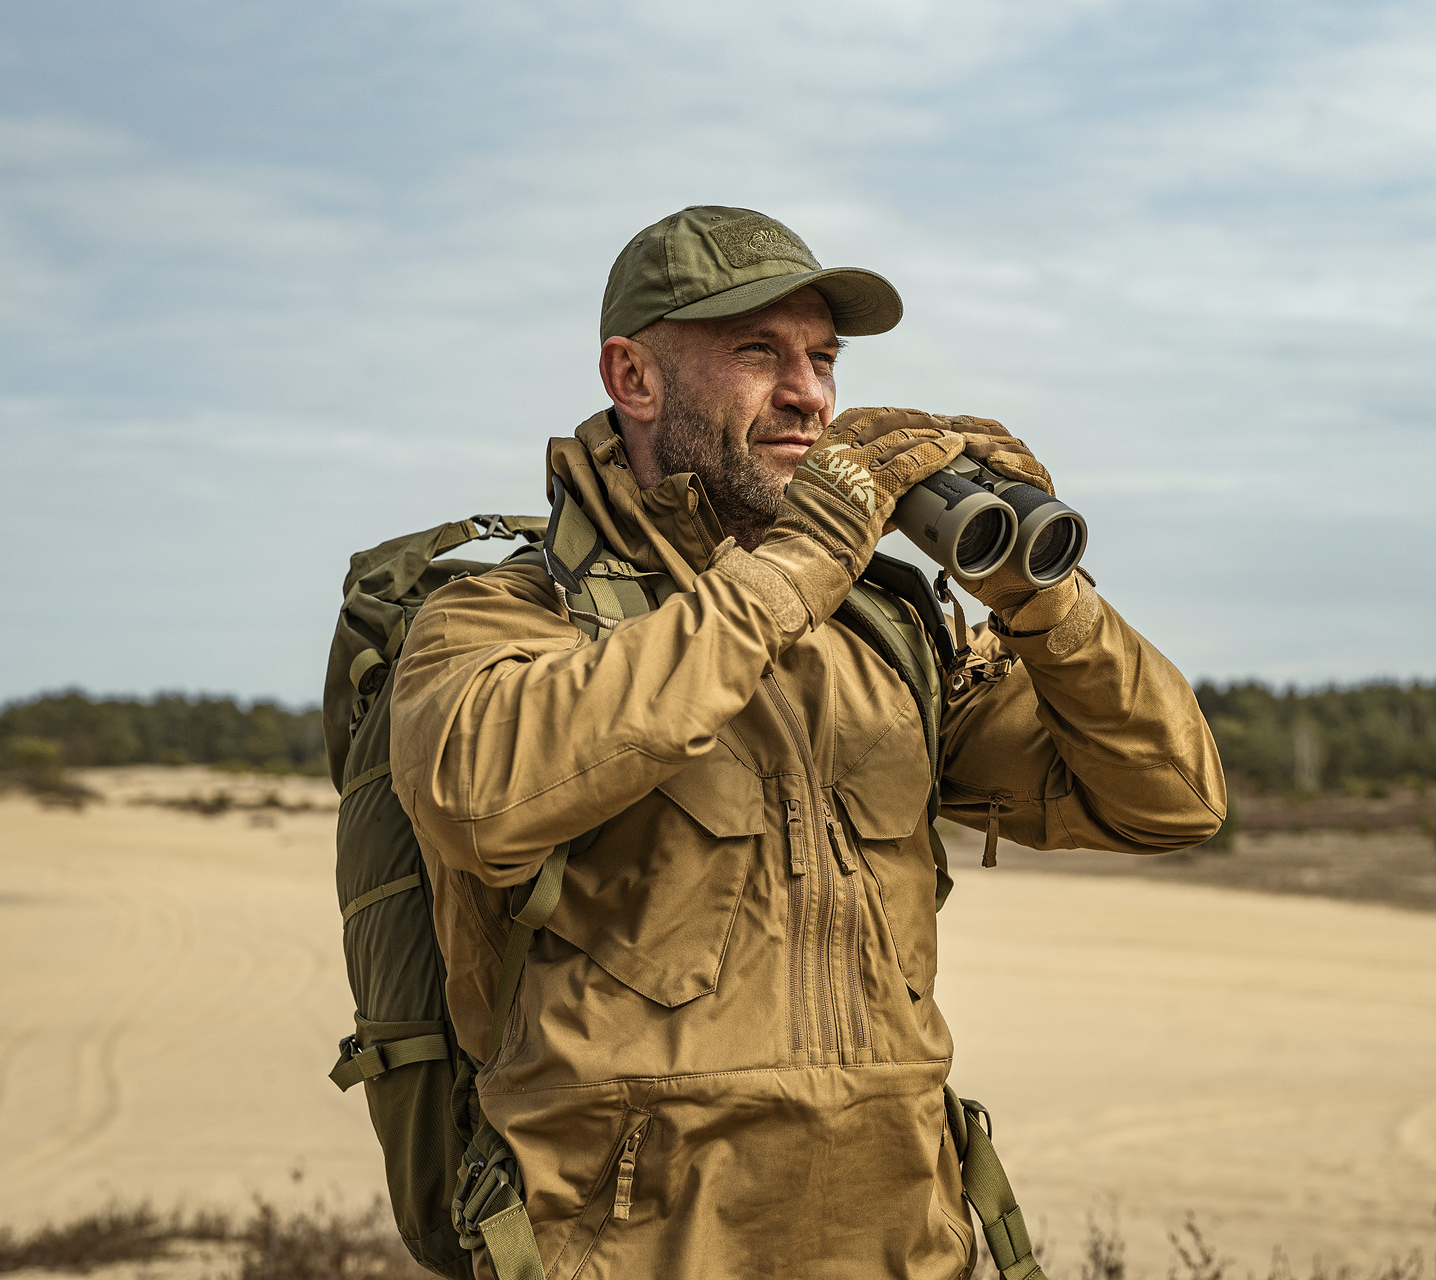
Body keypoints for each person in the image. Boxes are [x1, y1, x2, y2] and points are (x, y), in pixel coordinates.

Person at [389, 205, 1226, 1279]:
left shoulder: (881, 639)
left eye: (822, 358)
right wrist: (804, 557)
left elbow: (1169, 796)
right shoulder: (503, 616)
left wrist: (1039, 595)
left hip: (900, 1244)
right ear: (632, 377)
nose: (809, 395)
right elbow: (479, 798)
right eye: (757, 352)